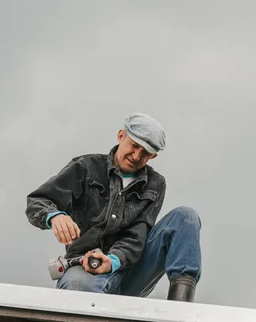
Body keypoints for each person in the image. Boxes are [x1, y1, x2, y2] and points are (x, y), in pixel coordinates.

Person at [25, 112, 202, 302]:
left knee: (186, 217)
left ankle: (181, 309)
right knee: (77, 288)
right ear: (121, 136)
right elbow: (37, 201)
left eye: (145, 153)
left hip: (129, 271)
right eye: (134, 146)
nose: (136, 156)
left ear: (154, 156)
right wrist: (54, 216)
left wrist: (113, 261)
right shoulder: (85, 167)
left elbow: (138, 233)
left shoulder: (156, 184)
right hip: (85, 268)